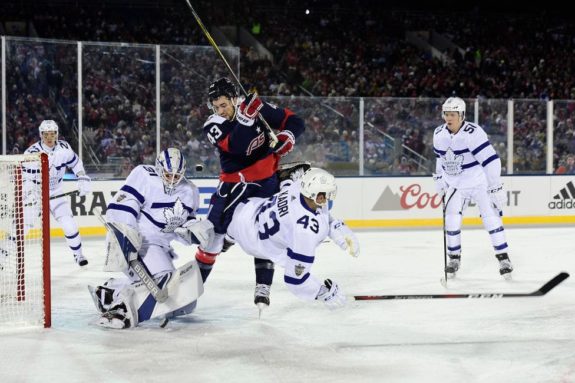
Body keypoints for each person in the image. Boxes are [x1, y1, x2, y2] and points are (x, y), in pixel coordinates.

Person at [195, 77, 305, 309]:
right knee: (212, 236)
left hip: (266, 181)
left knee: (265, 231)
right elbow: (238, 149)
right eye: (216, 107)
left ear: (235, 98)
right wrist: (246, 119)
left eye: (224, 105)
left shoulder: (255, 107)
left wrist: (288, 136)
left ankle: (263, 286)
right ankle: (193, 287)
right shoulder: (212, 124)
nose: (220, 110)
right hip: (235, 186)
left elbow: (294, 121)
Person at [90, 148, 214, 329]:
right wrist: (127, 233)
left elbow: (183, 222)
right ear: (158, 168)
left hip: (161, 248)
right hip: (139, 241)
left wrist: (193, 231)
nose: (172, 180)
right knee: (163, 283)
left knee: (186, 302)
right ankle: (118, 310)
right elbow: (125, 203)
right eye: (168, 174)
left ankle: (111, 290)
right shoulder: (144, 176)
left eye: (176, 175)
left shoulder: (190, 191)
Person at [226, 167, 360, 310]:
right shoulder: (304, 234)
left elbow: (291, 187)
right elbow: (295, 280)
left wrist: (335, 224)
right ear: (318, 196)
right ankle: (226, 240)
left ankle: (226, 239)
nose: (327, 198)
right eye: (326, 195)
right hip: (251, 240)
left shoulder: (297, 187)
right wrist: (322, 292)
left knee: (217, 242)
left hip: (248, 208)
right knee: (282, 253)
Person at [432, 97, 513, 279]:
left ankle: (503, 258)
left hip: (478, 182)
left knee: (491, 218)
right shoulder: (439, 133)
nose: (448, 118)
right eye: (446, 114)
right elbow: (439, 158)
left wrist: (495, 187)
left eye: (452, 114)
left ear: (461, 115)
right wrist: (439, 179)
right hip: (454, 184)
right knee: (451, 220)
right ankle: (454, 258)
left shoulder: (473, 133)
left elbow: (491, 160)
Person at [23, 120, 92, 266]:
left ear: (57, 134)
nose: (49, 137)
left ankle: (78, 255)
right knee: (23, 226)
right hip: (36, 193)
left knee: (70, 225)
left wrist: (82, 177)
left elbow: (76, 163)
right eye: (46, 134)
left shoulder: (64, 148)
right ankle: (3, 257)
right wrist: (28, 193)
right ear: (41, 135)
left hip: (56, 193)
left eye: (52, 133)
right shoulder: (31, 153)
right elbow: (25, 177)